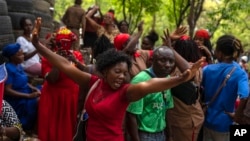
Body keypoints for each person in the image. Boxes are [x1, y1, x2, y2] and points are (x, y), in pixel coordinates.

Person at [31, 17, 205, 141]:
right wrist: (37, 44)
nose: (122, 76)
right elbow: (65, 65)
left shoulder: (126, 92)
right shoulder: (93, 82)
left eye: (125, 72)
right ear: (105, 71)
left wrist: (181, 78)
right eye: (117, 71)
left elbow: (151, 84)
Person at [38, 27, 84, 141]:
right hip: (52, 97)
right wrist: (58, 60)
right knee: (51, 126)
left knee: (67, 127)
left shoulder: (77, 56)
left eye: (67, 43)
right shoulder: (48, 58)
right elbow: (52, 79)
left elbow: (83, 76)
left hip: (70, 97)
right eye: (61, 43)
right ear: (56, 43)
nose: (64, 46)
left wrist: (75, 61)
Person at [202, 35, 249, 141]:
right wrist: (237, 115)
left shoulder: (207, 69)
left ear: (220, 52)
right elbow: (244, 96)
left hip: (207, 121)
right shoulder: (240, 73)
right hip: (225, 124)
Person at [126, 46, 176, 141]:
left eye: (171, 61)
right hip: (144, 134)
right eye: (163, 60)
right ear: (152, 60)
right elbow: (131, 115)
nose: (168, 65)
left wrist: (170, 135)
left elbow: (167, 109)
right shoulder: (141, 80)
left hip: (161, 133)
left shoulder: (168, 79)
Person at [167, 36, 204, 141]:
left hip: (187, 121)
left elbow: (189, 71)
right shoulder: (172, 67)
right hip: (177, 119)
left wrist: (171, 49)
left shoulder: (195, 68)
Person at [2, 43, 40, 134]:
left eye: (23, 54)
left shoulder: (19, 66)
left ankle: (37, 126)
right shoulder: (9, 68)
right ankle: (29, 127)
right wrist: (28, 96)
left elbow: (24, 81)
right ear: (12, 57)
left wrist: (33, 88)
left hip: (25, 92)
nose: (23, 56)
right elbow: (7, 90)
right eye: (19, 55)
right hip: (17, 99)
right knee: (39, 101)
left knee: (43, 91)